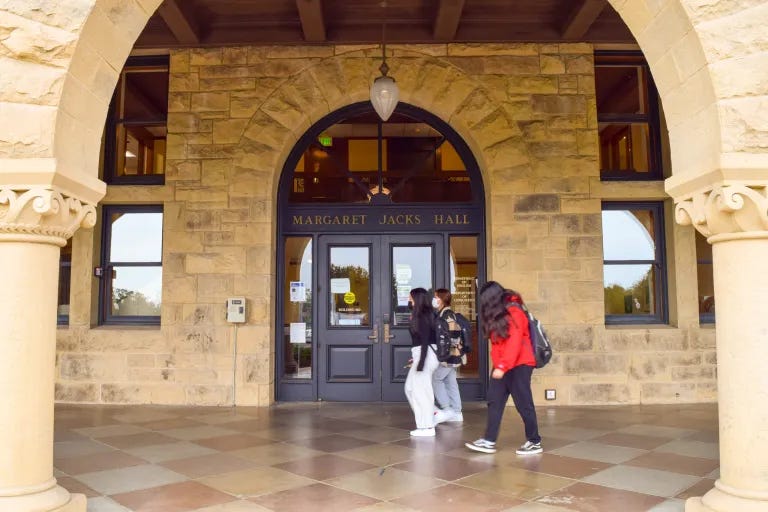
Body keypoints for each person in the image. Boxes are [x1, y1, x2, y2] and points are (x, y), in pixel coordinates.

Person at [465, 281, 542, 455]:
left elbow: (514, 344)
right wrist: (499, 366)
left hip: (520, 364)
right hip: (504, 365)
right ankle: (489, 440)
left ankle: (534, 440)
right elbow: (498, 345)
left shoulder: (514, 311)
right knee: (494, 401)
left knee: (523, 404)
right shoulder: (498, 314)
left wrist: (502, 366)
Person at [404, 287, 440, 437]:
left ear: (416, 298)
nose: (408, 298)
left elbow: (425, 341)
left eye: (410, 297)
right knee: (410, 388)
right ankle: (432, 416)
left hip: (426, 355)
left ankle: (427, 426)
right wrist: (416, 357)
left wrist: (421, 362)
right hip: (422, 354)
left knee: (421, 391)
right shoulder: (420, 314)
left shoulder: (423, 315)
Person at [432, 288, 464, 424]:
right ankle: (457, 412)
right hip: (452, 354)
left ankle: (447, 410)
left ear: (442, 298)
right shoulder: (444, 313)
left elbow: (452, 336)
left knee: (436, 379)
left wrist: (444, 354)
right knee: (451, 381)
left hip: (449, 354)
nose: (434, 299)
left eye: (436, 297)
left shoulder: (447, 314)